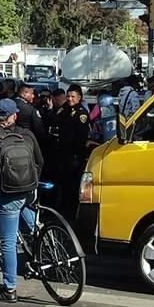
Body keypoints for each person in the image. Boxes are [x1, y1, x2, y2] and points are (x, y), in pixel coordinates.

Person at [0, 98, 44, 302]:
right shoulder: (27, 134)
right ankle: (44, 244)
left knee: (8, 241)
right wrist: (32, 182)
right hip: (29, 189)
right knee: (30, 221)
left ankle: (9, 288)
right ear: (15, 115)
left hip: (8, 192)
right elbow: (39, 161)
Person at [56, 84, 90, 222]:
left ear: (79, 97)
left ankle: (72, 214)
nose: (69, 99)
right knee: (64, 184)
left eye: (73, 96)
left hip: (74, 156)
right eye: (68, 96)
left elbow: (81, 138)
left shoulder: (81, 114)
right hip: (64, 154)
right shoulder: (65, 110)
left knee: (72, 186)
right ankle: (64, 210)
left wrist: (76, 156)